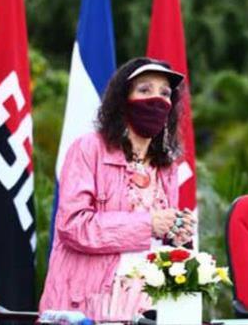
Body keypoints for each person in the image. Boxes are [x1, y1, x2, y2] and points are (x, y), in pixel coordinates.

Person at [40, 58, 196, 320]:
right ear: (123, 100)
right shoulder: (88, 148)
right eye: (144, 90)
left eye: (165, 93)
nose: (156, 100)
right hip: (90, 304)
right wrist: (148, 224)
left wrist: (177, 234)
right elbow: (73, 225)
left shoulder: (166, 165)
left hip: (148, 303)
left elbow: (161, 237)